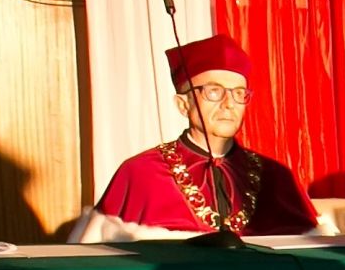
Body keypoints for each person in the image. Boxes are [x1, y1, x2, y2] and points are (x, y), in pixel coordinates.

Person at [75, 33, 322, 240]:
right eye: (214, 91)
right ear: (183, 105)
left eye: (238, 93)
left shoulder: (276, 177)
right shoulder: (140, 173)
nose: (229, 104)